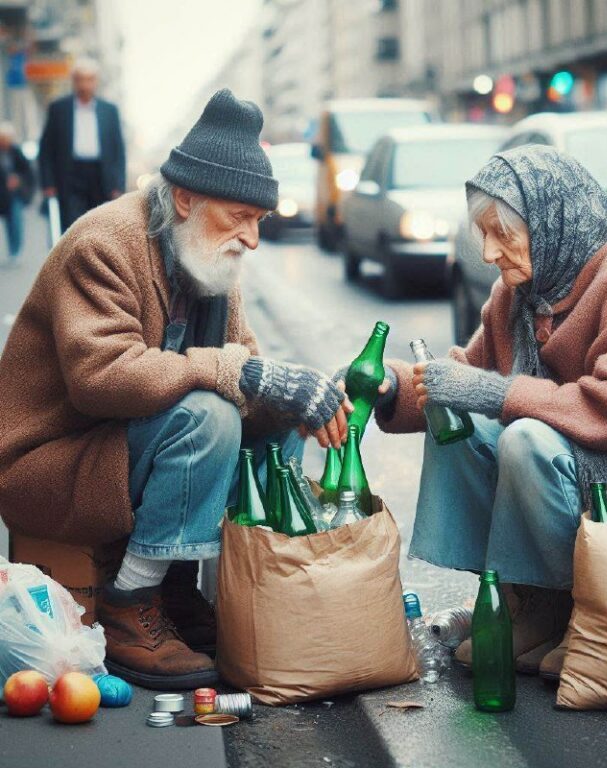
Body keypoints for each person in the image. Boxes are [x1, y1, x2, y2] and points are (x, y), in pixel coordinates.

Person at [0, 90, 350, 689]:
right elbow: (101, 380)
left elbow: (247, 372)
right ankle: (129, 603)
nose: (253, 238)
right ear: (186, 199)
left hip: (116, 450)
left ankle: (192, 590)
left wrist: (297, 391)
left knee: (274, 418)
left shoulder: (209, 261)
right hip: (49, 461)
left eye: (259, 221)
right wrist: (239, 374)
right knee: (208, 415)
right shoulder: (104, 243)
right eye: (240, 216)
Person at [361, 145, 607, 680]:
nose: (489, 251)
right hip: (591, 466)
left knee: (525, 438)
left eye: (502, 233)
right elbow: (468, 375)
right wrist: (390, 385)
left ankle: (586, 615)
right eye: (483, 234)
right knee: (464, 428)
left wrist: (496, 393)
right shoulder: (518, 292)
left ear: (550, 222)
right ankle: (525, 601)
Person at [37, 57, 126, 231]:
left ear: (96, 81)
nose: (85, 85)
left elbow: (118, 150)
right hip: (69, 176)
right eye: (80, 79)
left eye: (89, 79)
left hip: (101, 177)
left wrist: (118, 185)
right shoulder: (58, 109)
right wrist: (48, 183)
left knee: (100, 226)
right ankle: (74, 258)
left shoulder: (109, 110)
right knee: (72, 227)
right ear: (73, 82)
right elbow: (46, 149)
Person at [0, 122, 34, 265]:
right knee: (8, 224)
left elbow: (28, 171)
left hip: (14, 195)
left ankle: (15, 251)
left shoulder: (16, 151)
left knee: (15, 222)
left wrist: (18, 179)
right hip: (2, 194)